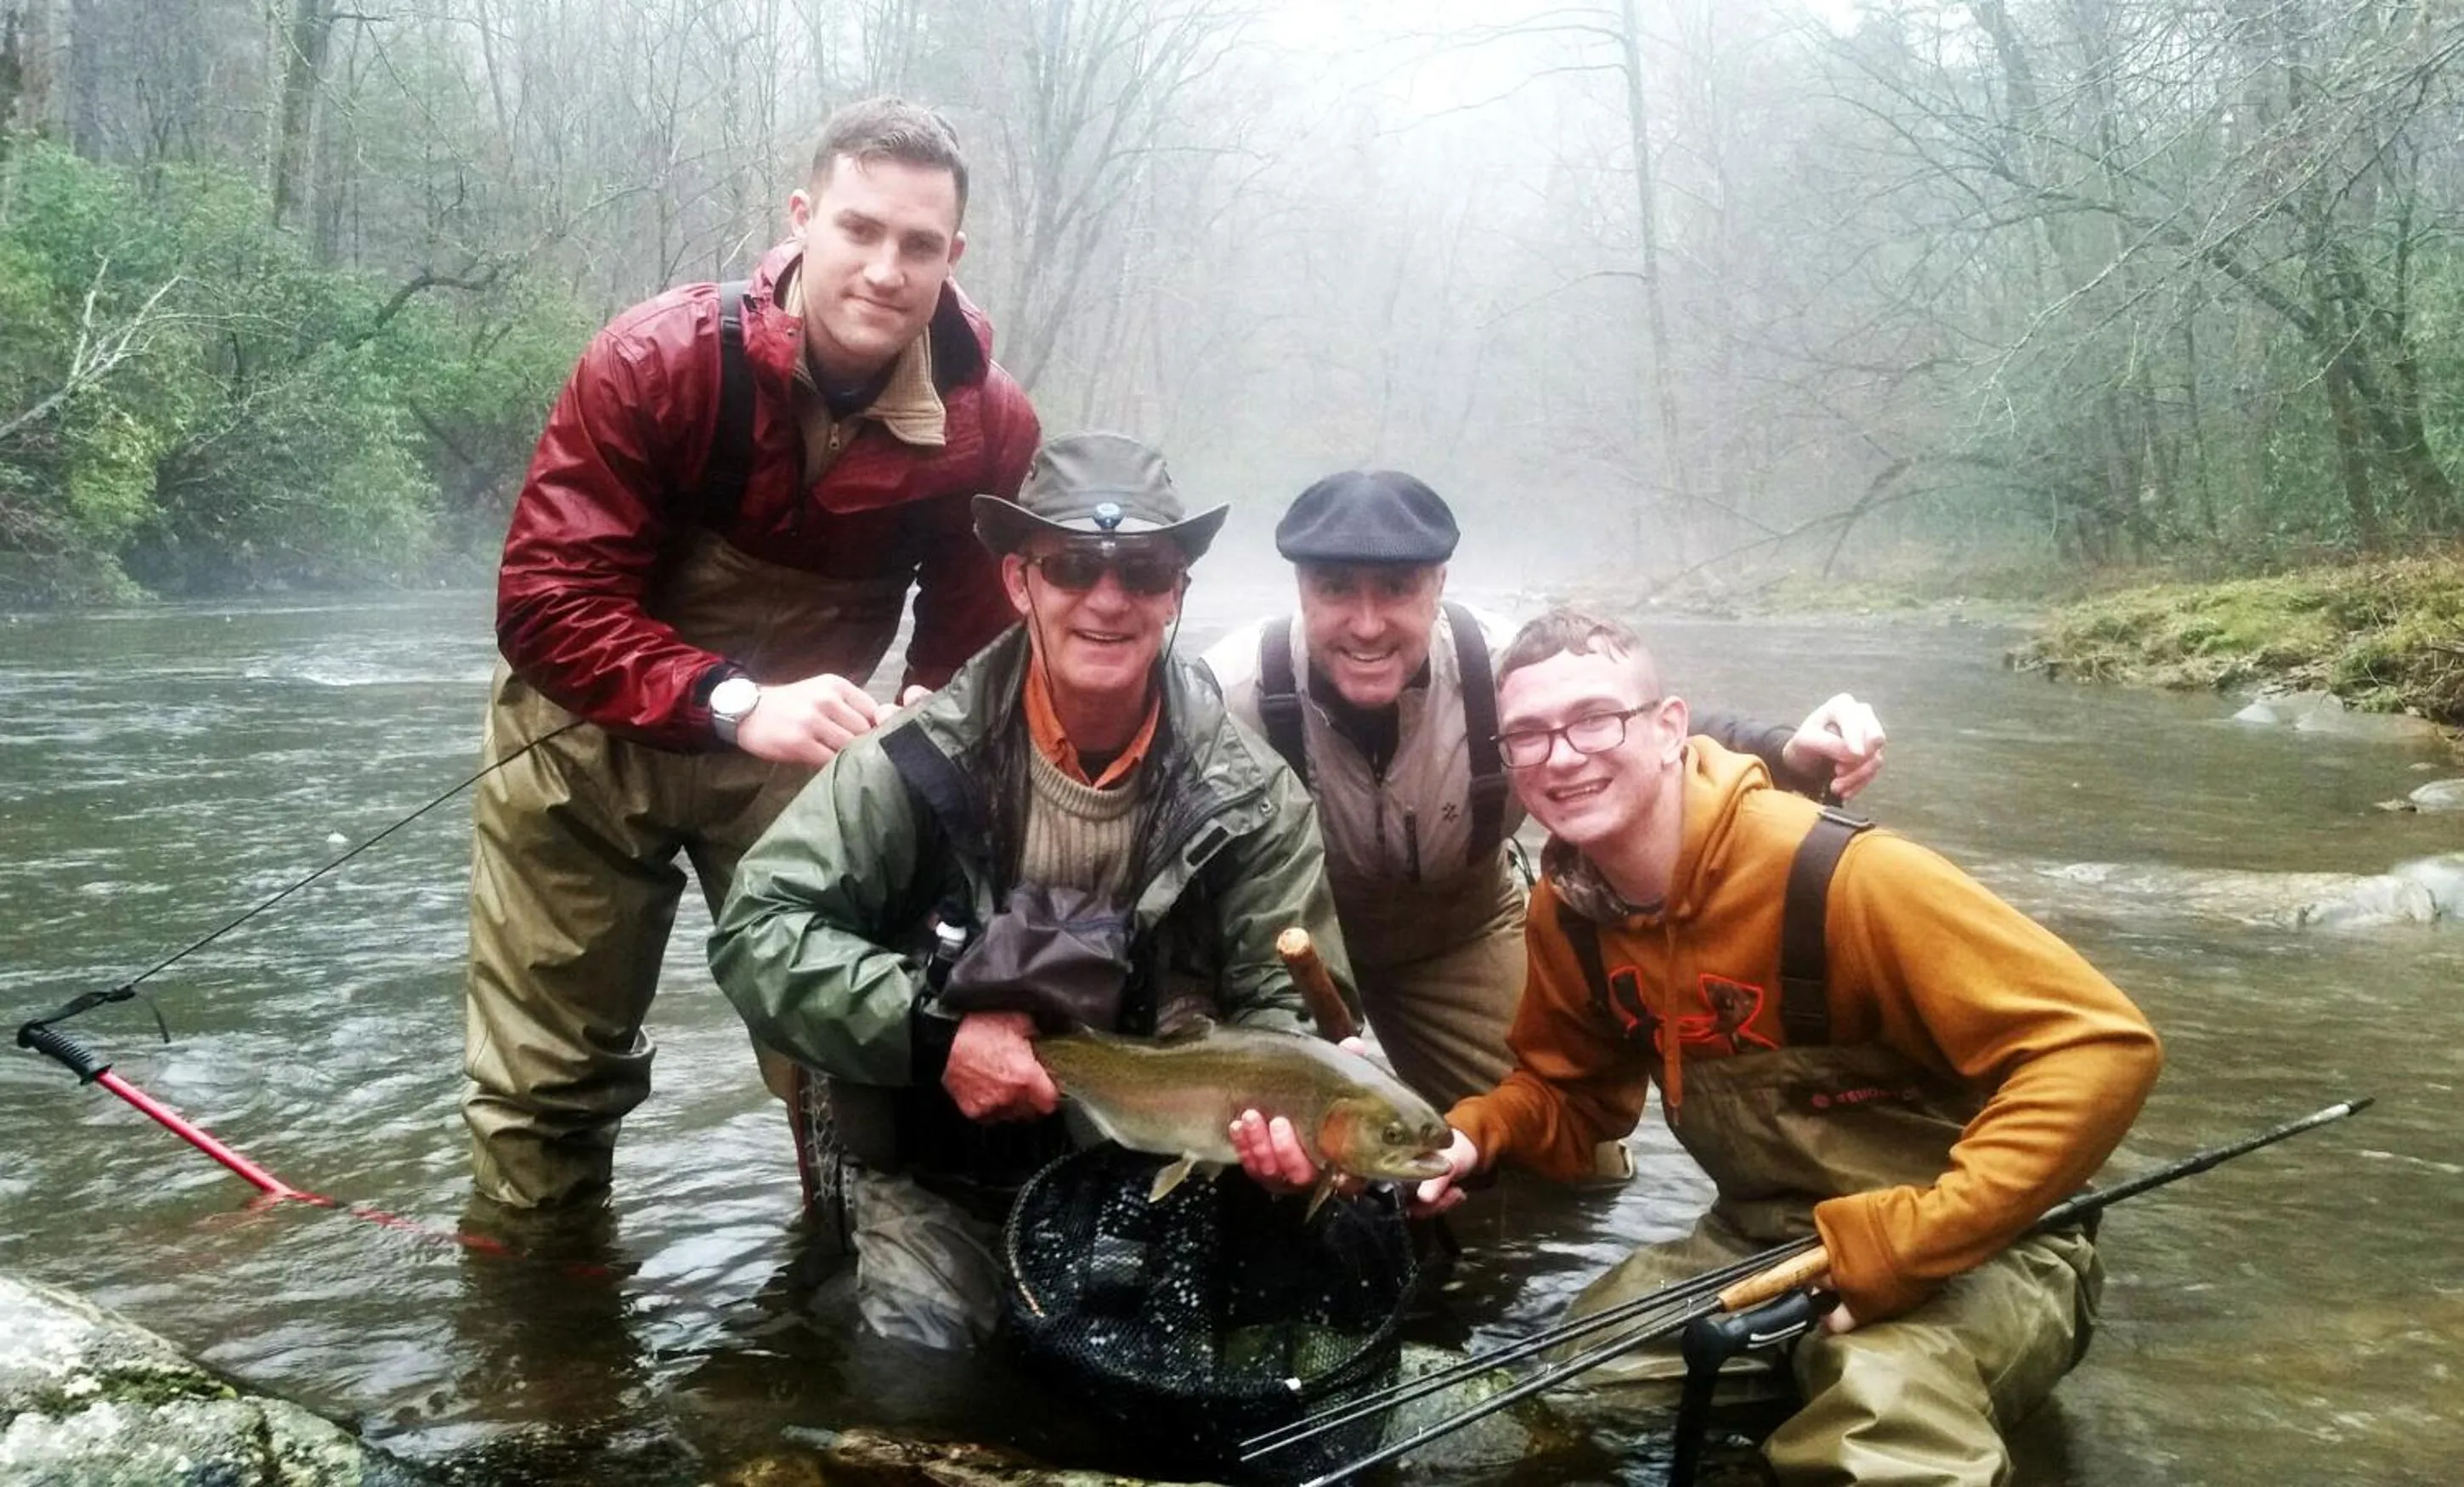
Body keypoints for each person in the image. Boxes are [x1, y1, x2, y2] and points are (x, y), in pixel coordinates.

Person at [1410, 608, 2162, 1485]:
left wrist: (1917, 1239)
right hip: (1764, 1243)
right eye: (1528, 735)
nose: (1562, 755)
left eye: (1594, 719)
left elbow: (2100, 1046)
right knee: (1571, 1389)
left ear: (1669, 727)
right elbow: (1569, 1097)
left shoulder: (1848, 877)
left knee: (1877, 1417)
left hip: (1988, 1244)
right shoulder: (1570, 912)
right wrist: (1469, 1139)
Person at [461, 97, 1040, 1213]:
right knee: (548, 1082)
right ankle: (539, 1300)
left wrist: (926, 730)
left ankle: (835, 1283)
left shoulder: (988, 425)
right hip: (584, 735)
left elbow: (974, 642)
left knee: (843, 1055)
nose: (885, 270)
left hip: (807, 750)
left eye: (918, 244)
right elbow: (543, 604)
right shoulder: (656, 360)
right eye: (859, 229)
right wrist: (731, 700)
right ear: (802, 218)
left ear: (953, 257)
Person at [709, 432, 1352, 1350]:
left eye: (1141, 570)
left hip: (1151, 1174)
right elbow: (757, 930)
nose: (1107, 599)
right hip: (939, 1177)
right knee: (914, 1388)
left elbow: (1281, 1012)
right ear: (1019, 582)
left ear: (1175, 593)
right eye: (1073, 566)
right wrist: (935, 1032)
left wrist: (1294, 1128)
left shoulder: (1252, 796)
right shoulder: (913, 758)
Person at [1202, 470, 1886, 1111]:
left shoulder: (1501, 665)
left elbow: (1634, 729)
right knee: (1259, 1157)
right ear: (1300, 590)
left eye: (1396, 588)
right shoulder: (1225, 689)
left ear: (1438, 586)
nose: (1367, 623)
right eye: (1335, 590)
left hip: (1458, 934)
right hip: (1281, 950)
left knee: (1566, 1138)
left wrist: (1787, 751)